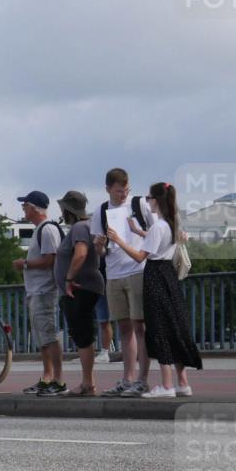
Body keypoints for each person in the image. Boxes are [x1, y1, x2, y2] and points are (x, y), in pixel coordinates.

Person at [107, 182, 201, 398]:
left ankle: (166, 386)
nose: (147, 201)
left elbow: (141, 256)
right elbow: (157, 240)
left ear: (156, 200)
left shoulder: (159, 226)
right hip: (168, 275)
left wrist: (119, 240)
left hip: (155, 276)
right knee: (174, 325)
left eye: (149, 197)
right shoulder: (171, 224)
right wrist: (137, 231)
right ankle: (182, 383)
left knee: (159, 329)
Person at [90, 168, 155, 397]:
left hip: (138, 269)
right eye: (119, 191)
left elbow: (156, 233)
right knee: (124, 328)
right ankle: (128, 378)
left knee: (140, 327)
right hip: (114, 273)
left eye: (126, 190)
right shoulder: (101, 211)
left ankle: (142, 379)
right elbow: (99, 250)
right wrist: (99, 244)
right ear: (108, 189)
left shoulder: (139, 204)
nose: (123, 195)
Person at [12, 191, 65, 396]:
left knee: (49, 335)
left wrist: (24, 263)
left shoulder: (47, 229)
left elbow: (50, 259)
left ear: (34, 207)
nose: (23, 208)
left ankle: (58, 379)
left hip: (45, 290)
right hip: (36, 290)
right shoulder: (40, 230)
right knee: (42, 337)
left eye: (25, 205)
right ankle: (47, 377)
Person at [54, 191, 105, 397]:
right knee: (83, 333)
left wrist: (68, 279)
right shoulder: (88, 225)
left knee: (82, 334)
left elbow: (81, 253)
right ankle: (88, 382)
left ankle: (87, 383)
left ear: (68, 210)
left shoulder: (79, 227)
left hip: (79, 287)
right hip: (86, 285)